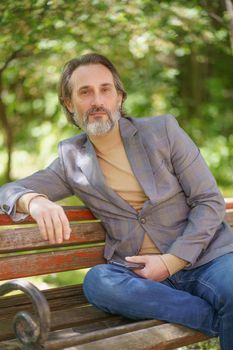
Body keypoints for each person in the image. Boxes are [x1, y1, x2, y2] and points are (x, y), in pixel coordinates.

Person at [0, 53, 233, 349]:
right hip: (139, 274)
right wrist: (33, 200)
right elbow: (7, 190)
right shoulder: (71, 158)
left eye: (105, 89)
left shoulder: (163, 132)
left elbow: (209, 202)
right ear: (70, 105)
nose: (96, 100)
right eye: (85, 92)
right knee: (97, 282)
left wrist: (171, 261)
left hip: (207, 257)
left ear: (119, 98)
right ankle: (219, 318)